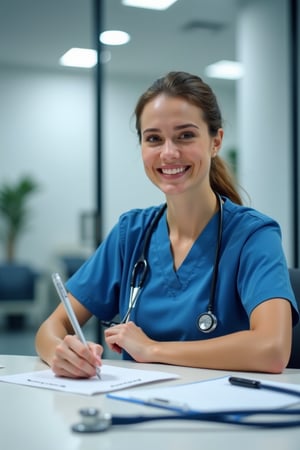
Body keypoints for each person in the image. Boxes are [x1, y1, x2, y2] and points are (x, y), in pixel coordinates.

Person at [35, 71, 299, 378]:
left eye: (185, 135)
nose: (169, 152)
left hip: (224, 416)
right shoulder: (130, 234)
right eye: (154, 139)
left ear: (216, 141)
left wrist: (153, 350)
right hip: (135, 408)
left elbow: (273, 349)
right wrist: (62, 353)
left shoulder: (253, 235)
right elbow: (51, 327)